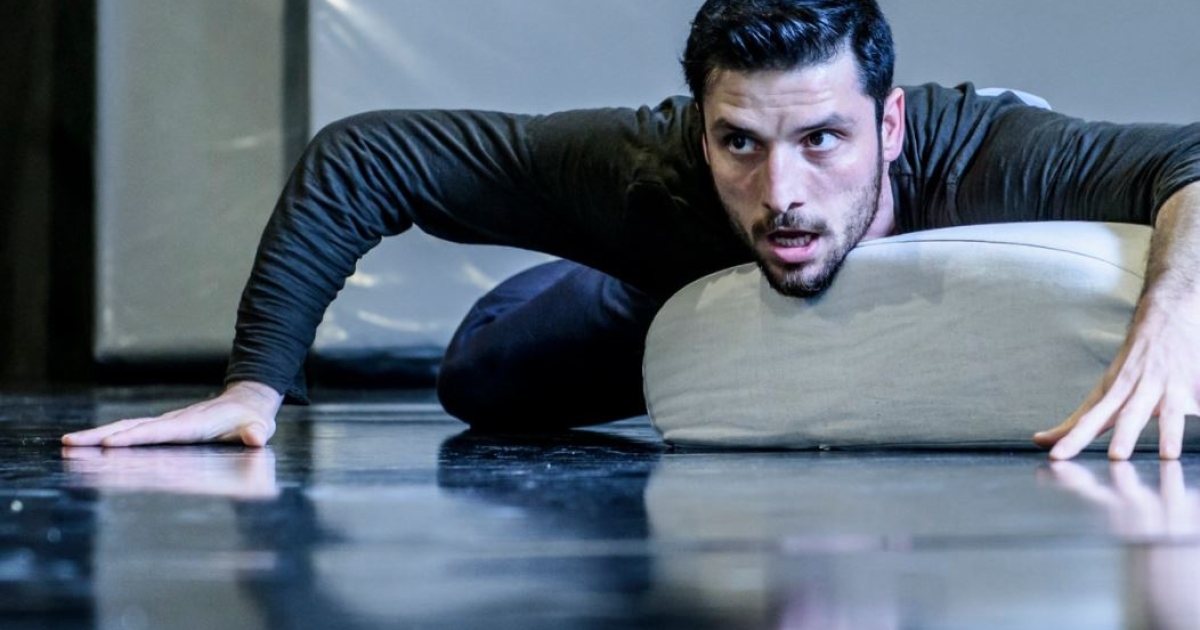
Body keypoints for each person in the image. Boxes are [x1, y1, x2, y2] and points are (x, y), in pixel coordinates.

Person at [62, 0, 1200, 460]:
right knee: (485, 375)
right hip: (649, 292)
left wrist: (1167, 316)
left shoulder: (992, 152)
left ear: (890, 123)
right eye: (739, 143)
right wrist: (256, 385)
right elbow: (369, 154)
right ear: (700, 128)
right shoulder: (651, 165)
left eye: (823, 140)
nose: (783, 191)